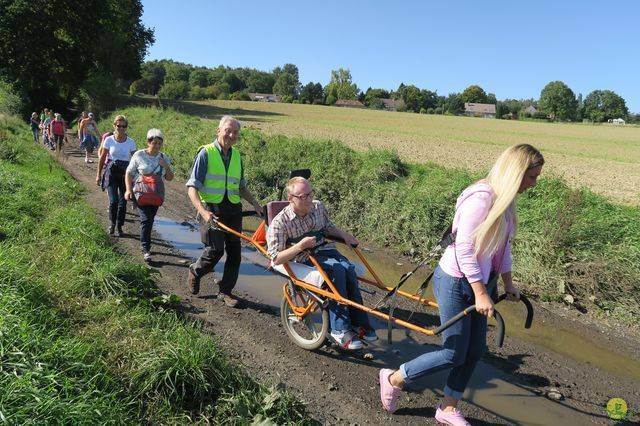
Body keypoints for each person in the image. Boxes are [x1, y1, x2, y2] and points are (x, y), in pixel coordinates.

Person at [378, 144, 544, 425]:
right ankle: (394, 378)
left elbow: (501, 249)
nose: (534, 184)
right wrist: (480, 292)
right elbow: (463, 249)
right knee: (453, 352)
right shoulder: (480, 199)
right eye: (531, 177)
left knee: (475, 350)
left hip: (482, 283)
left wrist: (507, 283)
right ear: (516, 173)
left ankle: (448, 407)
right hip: (457, 281)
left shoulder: (504, 202)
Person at [266, 176, 377, 350]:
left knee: (348, 269)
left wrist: (344, 235)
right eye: (303, 197)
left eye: (310, 194)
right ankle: (339, 330)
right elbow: (276, 258)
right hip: (303, 258)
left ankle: (358, 323)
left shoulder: (318, 207)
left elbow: (328, 227)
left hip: (326, 250)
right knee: (337, 271)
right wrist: (300, 246)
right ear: (290, 199)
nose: (309, 199)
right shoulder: (280, 223)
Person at [186, 115, 262, 308]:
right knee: (215, 251)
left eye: (235, 132)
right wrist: (203, 212)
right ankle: (195, 271)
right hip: (212, 209)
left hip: (233, 209)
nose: (231, 134)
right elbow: (192, 187)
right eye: (228, 130)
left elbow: (241, 186)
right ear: (218, 131)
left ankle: (226, 291)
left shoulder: (237, 156)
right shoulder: (206, 153)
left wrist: (254, 203)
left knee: (235, 253)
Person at [124, 128, 174, 262]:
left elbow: (170, 178)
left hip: (156, 195)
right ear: (148, 142)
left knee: (150, 220)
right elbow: (129, 173)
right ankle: (146, 249)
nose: (157, 146)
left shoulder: (164, 158)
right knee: (146, 219)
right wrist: (128, 190)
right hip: (140, 193)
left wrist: (166, 167)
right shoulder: (139, 155)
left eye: (159, 143)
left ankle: (144, 242)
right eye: (154, 143)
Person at [95, 115, 137, 237]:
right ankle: (112, 224)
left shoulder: (131, 142)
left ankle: (120, 226)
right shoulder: (109, 140)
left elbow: (135, 159)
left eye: (124, 126)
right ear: (114, 126)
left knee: (123, 203)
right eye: (119, 126)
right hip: (111, 173)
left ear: (126, 127)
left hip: (125, 174)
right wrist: (98, 175)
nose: (121, 128)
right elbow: (102, 158)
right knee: (113, 201)